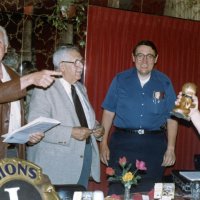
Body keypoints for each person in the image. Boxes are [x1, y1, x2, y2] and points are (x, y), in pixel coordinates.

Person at [100, 40, 178, 194]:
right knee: (118, 191)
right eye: (140, 55)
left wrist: (171, 148)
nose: (144, 60)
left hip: (154, 146)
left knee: (151, 192)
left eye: (149, 56)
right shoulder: (120, 80)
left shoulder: (164, 82)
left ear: (156, 59)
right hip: (122, 144)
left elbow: (172, 117)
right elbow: (108, 112)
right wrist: (103, 144)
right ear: (133, 58)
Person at [27, 45, 104, 188]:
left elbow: (84, 118)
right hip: (57, 166)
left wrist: (98, 128)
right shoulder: (45, 88)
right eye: (76, 62)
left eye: (82, 62)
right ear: (62, 66)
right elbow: (36, 127)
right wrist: (71, 132)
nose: (81, 66)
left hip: (83, 160)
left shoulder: (81, 88)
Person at [0, 25, 61, 159]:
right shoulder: (21, 80)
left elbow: (14, 115)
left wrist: (28, 135)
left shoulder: (14, 76)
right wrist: (31, 78)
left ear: (5, 48)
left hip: (14, 151)